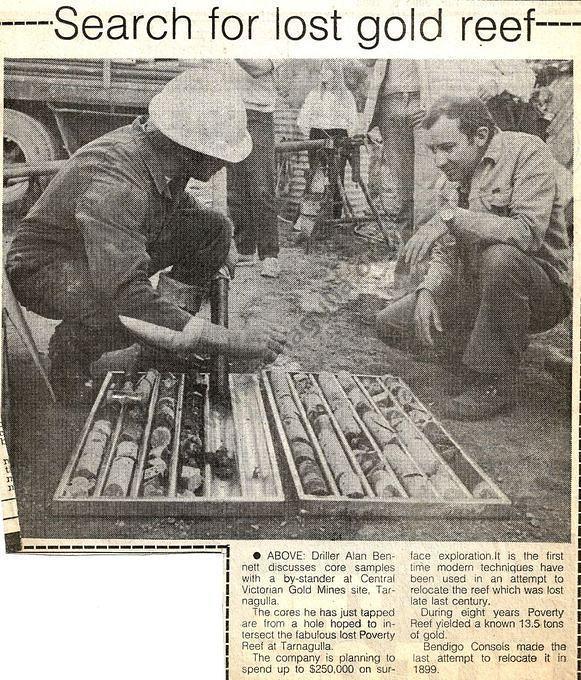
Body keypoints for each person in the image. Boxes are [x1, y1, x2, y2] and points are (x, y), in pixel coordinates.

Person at [5, 70, 287, 402]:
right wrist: (232, 340)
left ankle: (165, 344)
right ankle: (71, 352)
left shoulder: (160, 150)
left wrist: (221, 242)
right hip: (45, 268)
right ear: (188, 148)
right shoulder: (119, 184)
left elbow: (179, 204)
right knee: (127, 312)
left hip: (95, 247)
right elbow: (130, 299)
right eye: (219, 155)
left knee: (213, 229)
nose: (224, 163)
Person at [376, 97, 571, 420]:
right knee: (392, 323)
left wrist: (453, 218)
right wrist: (428, 290)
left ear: (480, 136)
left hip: (542, 293)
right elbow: (446, 254)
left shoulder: (527, 152)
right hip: (479, 291)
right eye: (433, 150)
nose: (439, 160)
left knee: (501, 258)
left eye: (448, 148)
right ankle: (471, 360)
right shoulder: (450, 182)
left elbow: (527, 233)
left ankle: (494, 382)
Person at [228, 59, 281, 278]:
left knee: (261, 187)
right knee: (235, 187)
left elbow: (258, 68)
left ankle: (270, 255)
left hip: (259, 114)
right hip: (231, 109)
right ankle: (244, 249)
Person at [297, 61, 359, 220]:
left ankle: (335, 218)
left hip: (338, 138)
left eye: (327, 70)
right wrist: (311, 133)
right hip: (317, 137)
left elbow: (353, 122)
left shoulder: (346, 96)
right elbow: (303, 119)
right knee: (316, 177)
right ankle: (315, 219)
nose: (323, 73)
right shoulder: (314, 95)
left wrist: (343, 136)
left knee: (336, 179)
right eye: (322, 70)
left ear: (336, 73)